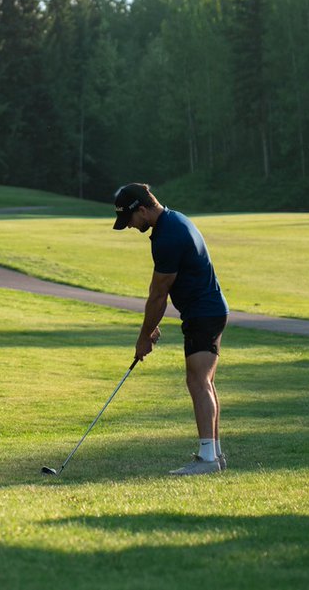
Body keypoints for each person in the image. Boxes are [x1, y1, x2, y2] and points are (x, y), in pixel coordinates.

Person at [112, 182, 229, 475]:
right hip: (207, 311)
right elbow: (160, 294)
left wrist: (144, 336)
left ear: (142, 210)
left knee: (198, 381)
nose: (129, 226)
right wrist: (151, 328)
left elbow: (158, 294)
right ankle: (214, 455)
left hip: (204, 313)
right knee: (203, 381)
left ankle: (208, 459)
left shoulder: (168, 236)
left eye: (129, 219)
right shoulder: (174, 221)